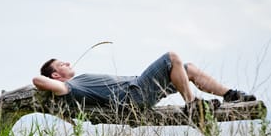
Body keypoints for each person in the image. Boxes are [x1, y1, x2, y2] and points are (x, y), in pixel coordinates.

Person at [32, 51, 256, 114]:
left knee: (188, 69)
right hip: (135, 95)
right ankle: (192, 104)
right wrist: (50, 81)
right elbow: (37, 80)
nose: (68, 62)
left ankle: (230, 94)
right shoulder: (69, 87)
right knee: (171, 57)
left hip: (140, 90)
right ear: (55, 76)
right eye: (61, 64)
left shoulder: (76, 81)